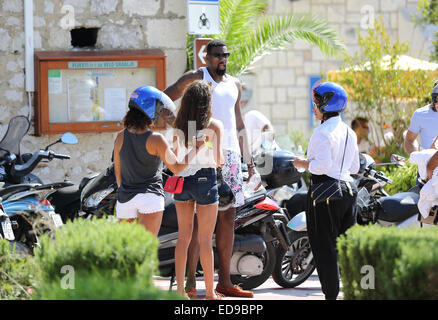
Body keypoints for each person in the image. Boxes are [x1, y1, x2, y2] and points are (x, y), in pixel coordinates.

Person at [164, 39, 255, 298]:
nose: (222, 59)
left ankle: (224, 282)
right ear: (206, 58)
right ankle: (191, 285)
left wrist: (249, 163)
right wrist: (175, 125)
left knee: (228, 219)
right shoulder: (196, 77)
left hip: (230, 156)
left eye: (225, 55)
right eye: (216, 55)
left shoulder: (234, 83)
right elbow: (164, 97)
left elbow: (239, 125)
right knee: (194, 224)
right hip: (201, 155)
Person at [293, 81, 359, 300]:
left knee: (325, 247)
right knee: (345, 246)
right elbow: (355, 167)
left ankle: (330, 296)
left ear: (326, 105)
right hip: (349, 190)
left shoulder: (321, 133)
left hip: (324, 192)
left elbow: (319, 166)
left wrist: (301, 163)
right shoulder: (350, 132)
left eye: (316, 103)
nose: (314, 107)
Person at [113, 86, 204, 236]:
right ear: (149, 109)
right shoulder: (156, 139)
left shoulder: (120, 137)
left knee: (126, 252)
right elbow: (176, 168)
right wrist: (197, 148)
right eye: (158, 109)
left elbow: (118, 173)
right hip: (150, 198)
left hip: (125, 200)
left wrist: (126, 191)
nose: (159, 114)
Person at [172, 80, 224, 300]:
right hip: (205, 179)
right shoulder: (214, 126)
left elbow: (175, 158)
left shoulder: (177, 125)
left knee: (183, 238)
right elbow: (219, 160)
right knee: (204, 240)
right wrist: (206, 146)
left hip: (183, 181)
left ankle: (181, 291)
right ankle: (210, 292)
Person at [404, 81, 438, 155]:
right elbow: (409, 140)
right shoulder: (420, 114)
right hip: (427, 163)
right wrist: (416, 156)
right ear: (434, 98)